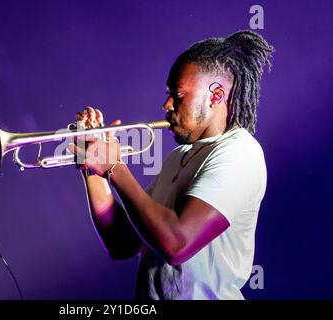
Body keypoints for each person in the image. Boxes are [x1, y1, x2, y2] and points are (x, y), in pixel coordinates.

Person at [69, 30, 274, 300]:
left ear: (216, 96)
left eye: (178, 95)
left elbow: (177, 244)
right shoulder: (180, 156)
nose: (166, 104)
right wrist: (92, 169)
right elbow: (122, 244)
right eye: (168, 94)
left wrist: (114, 167)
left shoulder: (240, 153)